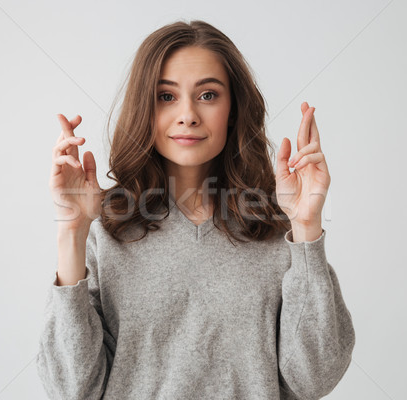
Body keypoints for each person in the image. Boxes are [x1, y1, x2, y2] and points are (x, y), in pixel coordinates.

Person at [36, 19, 355, 400]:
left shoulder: (276, 228)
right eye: (166, 96)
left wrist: (306, 228)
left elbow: (314, 378)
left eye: (207, 95)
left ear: (233, 110)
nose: (187, 114)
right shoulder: (107, 229)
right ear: (145, 109)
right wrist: (72, 231)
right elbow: (70, 389)